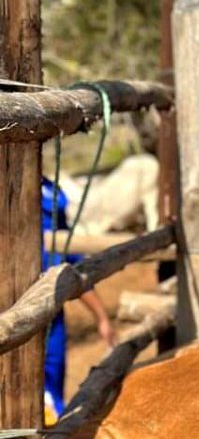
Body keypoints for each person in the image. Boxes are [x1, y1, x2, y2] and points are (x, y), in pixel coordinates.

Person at [42, 178, 116, 424]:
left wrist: (101, 317)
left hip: (51, 310)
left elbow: (70, 260)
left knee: (49, 400)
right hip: (16, 303)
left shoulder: (52, 190)